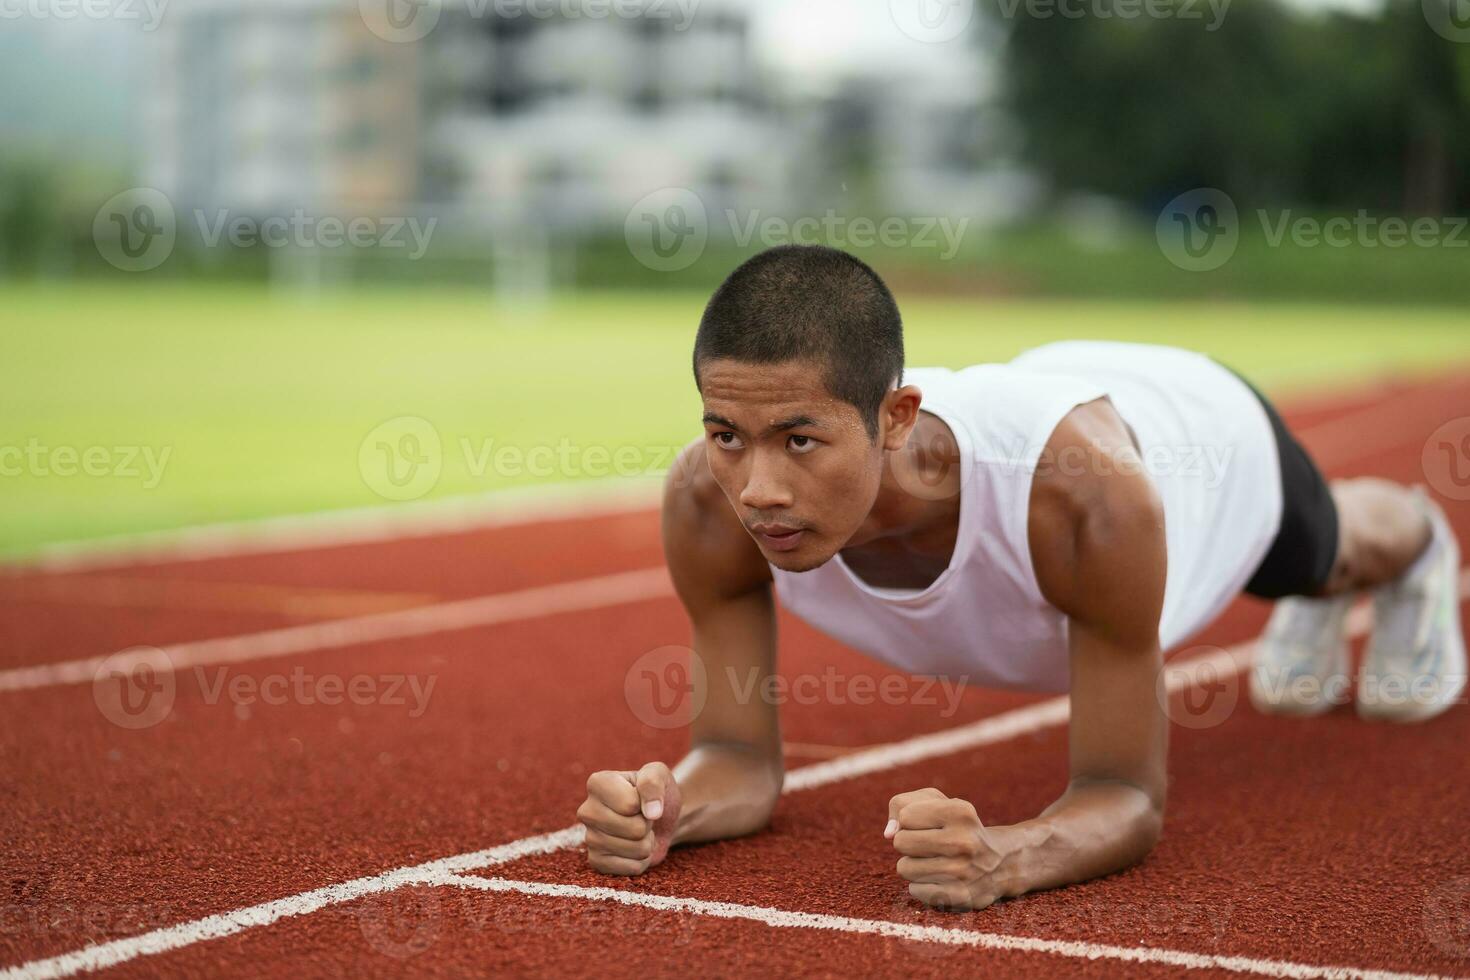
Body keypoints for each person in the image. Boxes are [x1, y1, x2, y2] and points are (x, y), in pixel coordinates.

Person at [574, 244, 1464, 910]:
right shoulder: (705, 499)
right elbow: (737, 759)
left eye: (800, 440)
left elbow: (1125, 795)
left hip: (1202, 438)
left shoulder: (1086, 503)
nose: (757, 490)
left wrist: (1008, 856)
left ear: (895, 418)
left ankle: (1419, 542)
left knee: (1323, 556)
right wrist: (668, 812)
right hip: (1056, 386)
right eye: (727, 433)